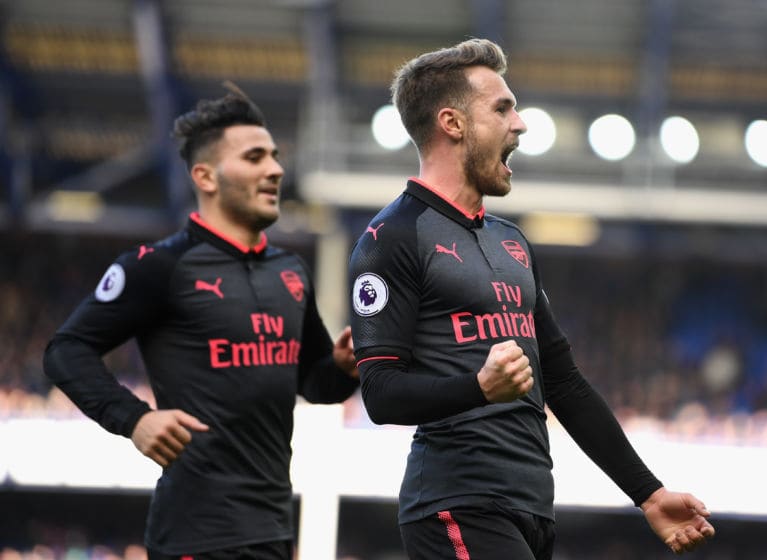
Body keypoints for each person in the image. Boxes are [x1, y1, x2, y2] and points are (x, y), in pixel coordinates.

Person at [348, 38, 715, 559]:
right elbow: (381, 393)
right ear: (452, 123)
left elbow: (563, 382)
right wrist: (478, 386)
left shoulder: (512, 243)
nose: (519, 124)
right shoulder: (392, 239)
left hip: (533, 508)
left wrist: (648, 494)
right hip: (456, 505)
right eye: (502, 108)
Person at [43, 87, 359, 559]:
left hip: (272, 530)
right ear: (206, 176)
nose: (274, 169)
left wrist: (341, 368)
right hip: (196, 534)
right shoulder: (159, 265)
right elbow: (66, 351)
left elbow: (313, 383)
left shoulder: (290, 271)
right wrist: (135, 419)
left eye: (274, 157)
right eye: (254, 157)